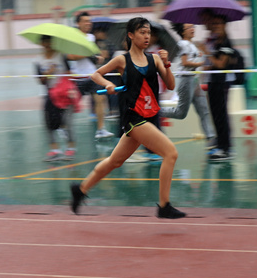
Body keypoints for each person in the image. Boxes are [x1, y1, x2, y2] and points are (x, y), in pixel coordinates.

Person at [70, 17, 185, 219]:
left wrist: (167, 64)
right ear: (131, 35)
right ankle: (164, 205)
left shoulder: (155, 59)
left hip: (149, 116)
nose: (147, 36)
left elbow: (171, 85)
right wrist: (108, 84)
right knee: (171, 153)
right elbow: (96, 75)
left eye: (148, 33)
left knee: (114, 161)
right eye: (142, 32)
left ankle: (80, 190)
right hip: (134, 117)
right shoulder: (122, 60)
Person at [160, 23, 215, 147]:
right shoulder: (183, 44)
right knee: (180, 113)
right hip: (186, 80)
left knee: (203, 109)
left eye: (193, 27)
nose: (192, 29)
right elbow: (185, 63)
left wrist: (199, 55)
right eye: (189, 28)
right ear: (183, 32)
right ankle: (156, 111)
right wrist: (201, 63)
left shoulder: (191, 44)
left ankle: (211, 138)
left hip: (194, 80)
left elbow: (192, 57)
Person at [67, 11, 114, 139]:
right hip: (78, 77)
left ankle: (101, 129)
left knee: (100, 99)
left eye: (89, 21)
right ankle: (64, 127)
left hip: (93, 75)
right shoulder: (73, 37)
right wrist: (87, 54)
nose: (88, 23)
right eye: (85, 21)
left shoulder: (91, 37)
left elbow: (92, 55)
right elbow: (71, 56)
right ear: (78, 23)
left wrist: (98, 58)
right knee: (71, 104)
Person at [36, 35, 78, 161]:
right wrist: (48, 73)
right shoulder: (38, 61)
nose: (47, 44)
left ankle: (70, 148)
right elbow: (40, 81)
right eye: (45, 42)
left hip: (65, 94)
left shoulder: (61, 56)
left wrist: (69, 86)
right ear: (41, 44)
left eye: (49, 42)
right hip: (49, 95)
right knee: (49, 122)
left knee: (67, 122)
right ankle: (55, 150)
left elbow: (70, 73)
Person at [204, 12, 236, 162]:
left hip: (222, 83)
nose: (215, 26)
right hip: (213, 81)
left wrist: (206, 52)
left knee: (221, 115)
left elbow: (221, 64)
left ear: (224, 25)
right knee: (215, 114)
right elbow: (212, 64)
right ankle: (220, 143)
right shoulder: (215, 41)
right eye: (213, 23)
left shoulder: (226, 42)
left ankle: (226, 148)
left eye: (218, 23)